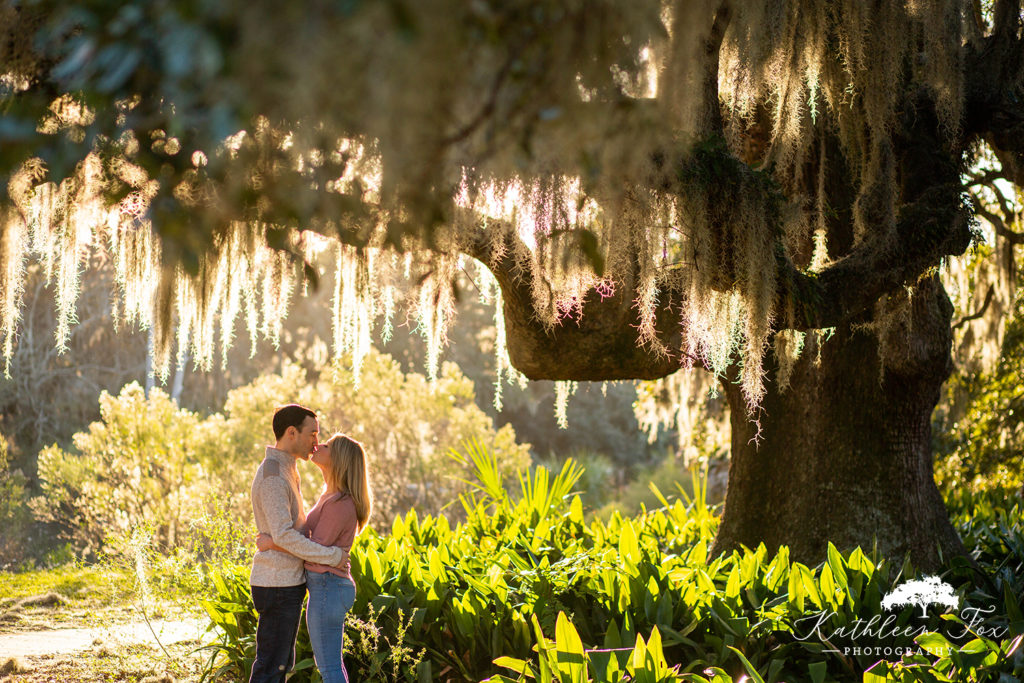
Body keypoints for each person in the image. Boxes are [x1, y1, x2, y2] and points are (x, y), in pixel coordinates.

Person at [258, 433, 373, 683]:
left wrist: (273, 543)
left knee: (329, 668)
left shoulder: (340, 503)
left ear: (339, 460)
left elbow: (313, 549)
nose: (318, 445)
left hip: (328, 587)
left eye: (328, 445)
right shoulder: (330, 496)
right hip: (327, 587)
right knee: (332, 665)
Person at [249, 404, 350, 683]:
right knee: (272, 666)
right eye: (313, 434)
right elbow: (284, 534)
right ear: (291, 433)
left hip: (286, 582)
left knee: (280, 664)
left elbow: (285, 534)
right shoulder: (273, 476)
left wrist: (273, 542)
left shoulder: (288, 469)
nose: (316, 442)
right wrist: (332, 556)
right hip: (276, 583)